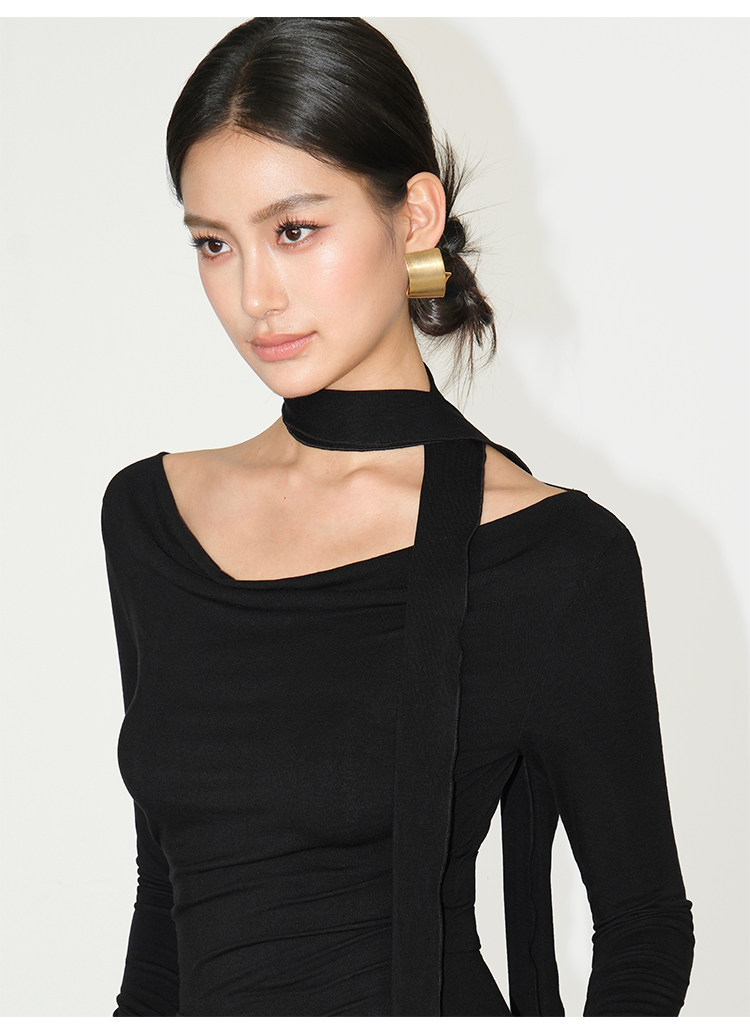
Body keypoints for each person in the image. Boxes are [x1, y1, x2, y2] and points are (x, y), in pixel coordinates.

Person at [101, 17, 694, 1017]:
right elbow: (167, 900)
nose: (254, 295)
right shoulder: (152, 520)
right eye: (214, 243)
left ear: (415, 215)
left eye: (295, 230)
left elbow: (645, 931)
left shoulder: (555, 556)